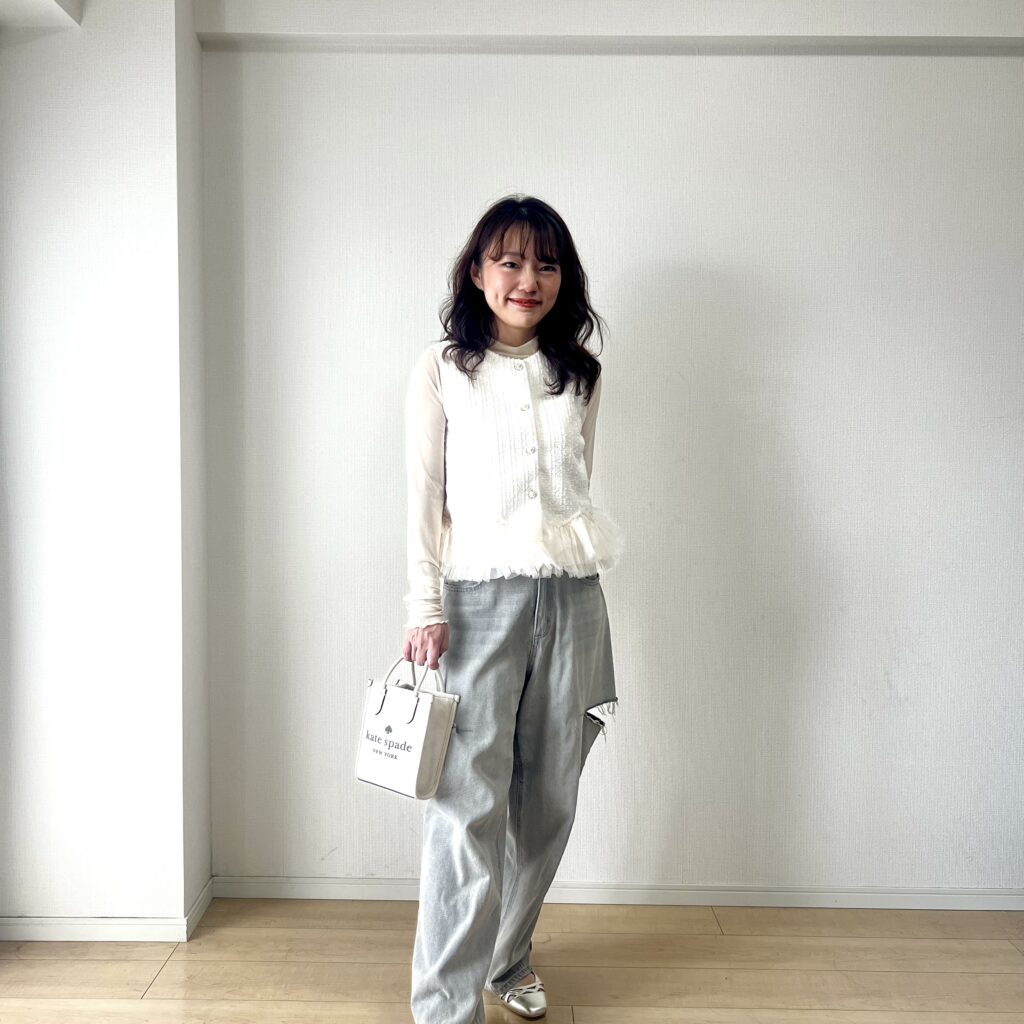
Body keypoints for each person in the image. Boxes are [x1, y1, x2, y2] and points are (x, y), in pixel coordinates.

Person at [402, 194, 625, 1024]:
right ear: (478, 270)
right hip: (475, 603)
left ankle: (507, 958)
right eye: (510, 261)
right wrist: (424, 606)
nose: (529, 279)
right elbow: (424, 500)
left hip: (573, 598)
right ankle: (444, 1007)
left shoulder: (581, 374)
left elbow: (577, 490)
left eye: (547, 264)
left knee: (550, 804)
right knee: (466, 806)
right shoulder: (442, 368)